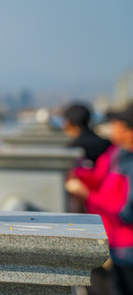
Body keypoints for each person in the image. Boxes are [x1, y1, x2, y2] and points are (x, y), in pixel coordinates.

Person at [66, 102, 133, 295]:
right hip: (113, 245)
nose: (112, 126)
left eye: (117, 123)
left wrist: (86, 195)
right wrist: (74, 174)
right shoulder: (116, 153)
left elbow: (126, 212)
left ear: (129, 131)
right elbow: (98, 177)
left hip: (127, 250)